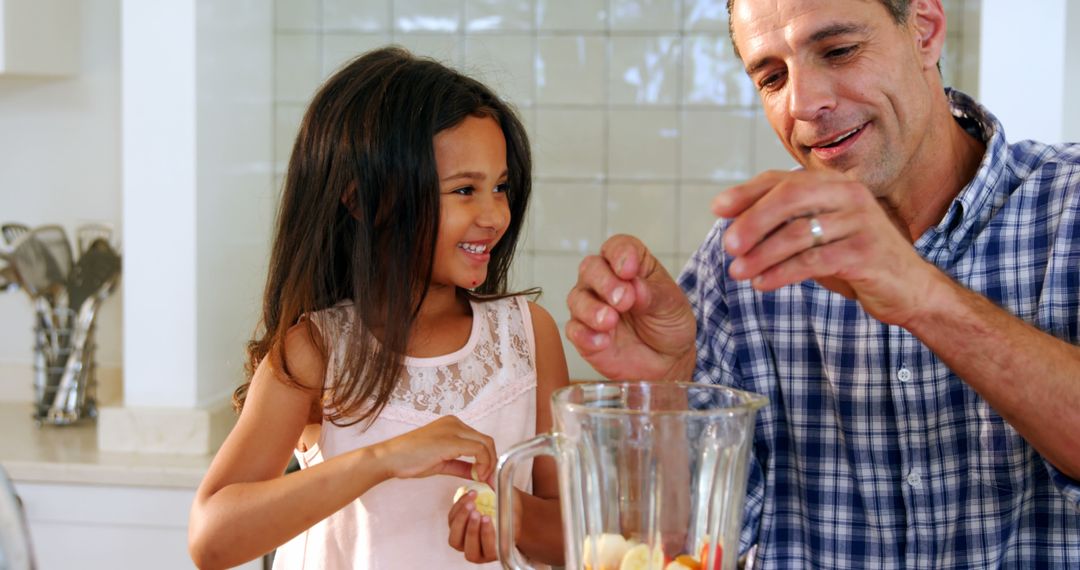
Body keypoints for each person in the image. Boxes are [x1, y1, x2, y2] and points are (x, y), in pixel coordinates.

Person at [566, 0, 1080, 567]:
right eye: (772, 77)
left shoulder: (1069, 205)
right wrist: (668, 394)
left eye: (839, 51)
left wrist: (925, 296)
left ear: (926, 31)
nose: (805, 104)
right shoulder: (748, 251)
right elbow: (685, 546)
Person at [188, 47, 568, 569]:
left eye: (500, 187)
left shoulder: (528, 336)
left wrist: (516, 517)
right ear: (365, 201)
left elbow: (579, 534)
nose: (494, 214)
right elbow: (211, 539)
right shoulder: (315, 350)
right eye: (464, 190)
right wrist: (385, 459)